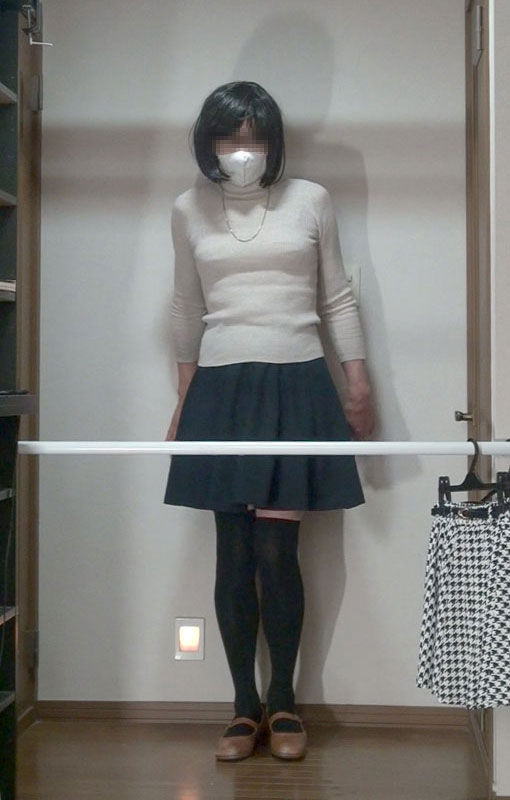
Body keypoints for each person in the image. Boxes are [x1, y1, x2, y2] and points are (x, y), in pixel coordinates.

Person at [163, 81, 374, 761]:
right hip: (220, 388)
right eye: (230, 138)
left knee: (279, 551)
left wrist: (358, 383)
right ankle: (240, 707)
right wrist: (184, 399)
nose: (243, 151)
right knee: (233, 551)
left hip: (298, 381)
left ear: (274, 143)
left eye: (255, 138)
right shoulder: (188, 208)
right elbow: (186, 306)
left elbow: (336, 296)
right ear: (209, 143)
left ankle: (283, 702)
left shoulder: (311, 199)